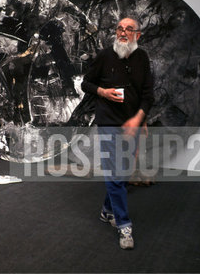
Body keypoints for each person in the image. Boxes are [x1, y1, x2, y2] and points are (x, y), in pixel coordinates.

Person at [81, 17, 154, 250]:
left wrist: (139, 118)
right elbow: (86, 84)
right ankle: (123, 225)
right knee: (114, 171)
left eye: (129, 29)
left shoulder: (142, 58)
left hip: (131, 124)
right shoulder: (104, 56)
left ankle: (106, 210)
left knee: (122, 173)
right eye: (120, 29)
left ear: (137, 35)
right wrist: (102, 91)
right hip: (109, 122)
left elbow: (147, 94)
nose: (123, 33)